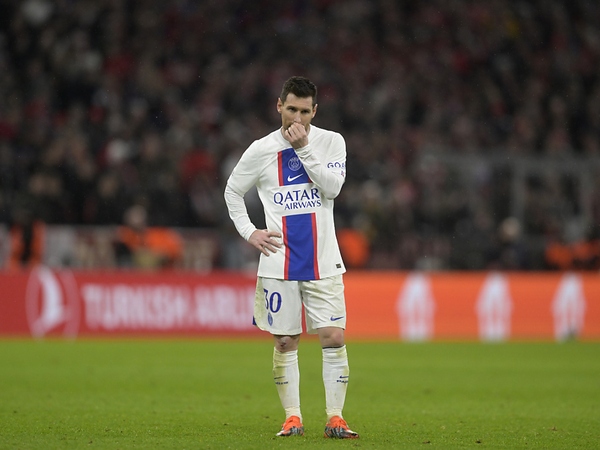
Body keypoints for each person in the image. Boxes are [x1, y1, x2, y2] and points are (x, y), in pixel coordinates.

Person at [224, 76, 358, 439]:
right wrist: (249, 232)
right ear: (279, 106)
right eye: (291, 109)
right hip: (278, 261)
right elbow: (232, 191)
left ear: (315, 111)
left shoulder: (331, 142)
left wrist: (304, 149)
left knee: (333, 336)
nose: (297, 118)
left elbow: (332, 188)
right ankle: (292, 418)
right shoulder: (261, 149)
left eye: (305, 112)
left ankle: (335, 418)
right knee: (285, 342)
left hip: (322, 260)